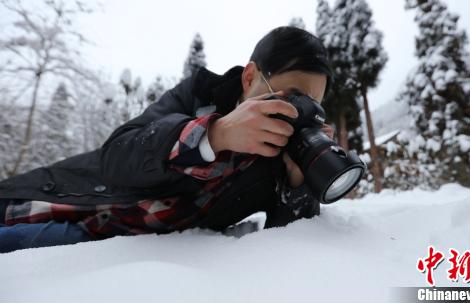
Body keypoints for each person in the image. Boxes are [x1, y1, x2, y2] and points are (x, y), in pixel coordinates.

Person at [0, 26, 334, 253]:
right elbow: (116, 157)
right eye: (293, 97)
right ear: (250, 77)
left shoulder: (274, 165)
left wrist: (298, 181)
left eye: (312, 106)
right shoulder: (199, 94)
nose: (299, 113)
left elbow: (288, 248)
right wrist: (214, 135)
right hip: (54, 201)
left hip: (106, 247)